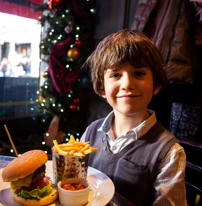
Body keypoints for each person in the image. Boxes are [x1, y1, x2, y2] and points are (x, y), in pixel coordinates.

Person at [80, 29, 187, 206]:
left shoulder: (169, 152)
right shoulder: (91, 132)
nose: (127, 84)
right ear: (102, 88)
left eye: (138, 73)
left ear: (156, 83)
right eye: (115, 75)